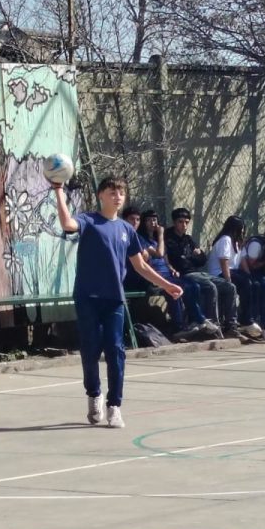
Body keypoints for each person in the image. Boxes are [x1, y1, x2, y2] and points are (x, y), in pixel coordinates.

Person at [52, 176, 182, 429]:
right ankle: (94, 395)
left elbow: (140, 265)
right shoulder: (89, 220)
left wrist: (166, 285)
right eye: (112, 192)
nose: (118, 197)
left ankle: (115, 406)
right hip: (88, 297)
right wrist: (58, 190)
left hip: (114, 300)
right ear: (101, 196)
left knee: (116, 350)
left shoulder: (126, 229)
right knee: (90, 351)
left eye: (121, 192)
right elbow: (67, 224)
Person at [134, 208, 209, 334]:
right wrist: (161, 235)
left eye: (155, 220)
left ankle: (194, 321)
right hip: (155, 277)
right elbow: (159, 253)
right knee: (174, 290)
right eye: (148, 220)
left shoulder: (157, 240)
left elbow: (165, 259)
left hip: (168, 274)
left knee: (193, 286)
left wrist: (172, 268)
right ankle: (180, 327)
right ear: (143, 222)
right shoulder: (141, 239)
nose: (153, 223)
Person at [166, 207, 239, 334]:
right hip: (185, 275)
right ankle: (213, 327)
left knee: (230, 286)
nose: (184, 225)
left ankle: (231, 325)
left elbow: (202, 259)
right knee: (210, 287)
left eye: (186, 222)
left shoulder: (188, 239)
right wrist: (193, 256)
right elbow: (178, 261)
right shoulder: (169, 239)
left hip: (198, 272)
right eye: (180, 222)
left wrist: (193, 256)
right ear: (174, 222)